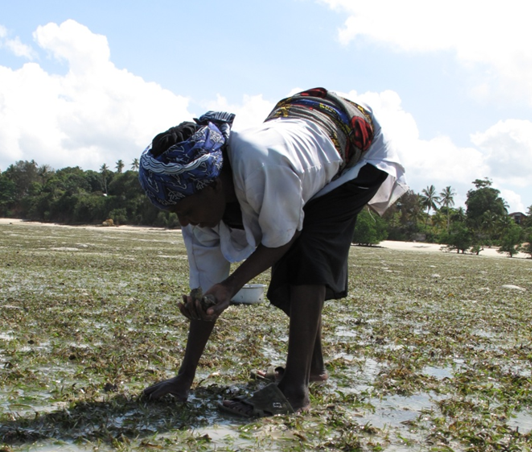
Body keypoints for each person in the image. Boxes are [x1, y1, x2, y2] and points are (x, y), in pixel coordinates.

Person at [138, 87, 407, 417]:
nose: (184, 221)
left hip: (358, 148)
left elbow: (283, 240)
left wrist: (232, 286)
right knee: (287, 274)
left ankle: (295, 390)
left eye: (186, 210)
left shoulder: (262, 166)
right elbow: (208, 294)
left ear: (213, 185)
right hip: (300, 120)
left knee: (305, 251)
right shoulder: (197, 209)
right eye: (175, 214)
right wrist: (184, 377)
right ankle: (312, 369)